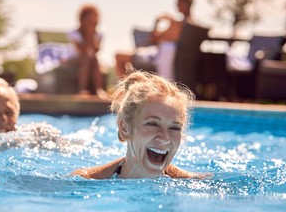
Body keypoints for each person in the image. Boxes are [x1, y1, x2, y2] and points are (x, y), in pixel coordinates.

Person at [72, 71, 208, 179]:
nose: (165, 138)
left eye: (175, 128)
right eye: (153, 124)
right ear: (125, 128)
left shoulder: (193, 184)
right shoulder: (86, 180)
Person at [115, 0, 195, 80]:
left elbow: (154, 39)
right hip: (175, 61)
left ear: (184, 4)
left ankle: (127, 89)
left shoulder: (177, 25)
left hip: (158, 57)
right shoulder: (194, 25)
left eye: (178, 2)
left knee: (119, 56)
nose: (176, 5)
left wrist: (157, 21)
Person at [68, 4, 108, 99]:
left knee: (94, 59)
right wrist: (88, 34)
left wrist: (92, 33)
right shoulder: (74, 33)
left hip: (91, 60)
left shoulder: (99, 33)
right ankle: (83, 89)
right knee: (87, 58)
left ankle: (99, 89)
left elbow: (96, 50)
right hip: (74, 59)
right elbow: (83, 51)